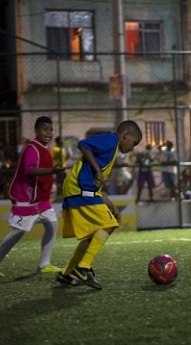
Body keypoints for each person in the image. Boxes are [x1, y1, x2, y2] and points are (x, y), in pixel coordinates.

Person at [56, 120, 142, 290]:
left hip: (81, 189)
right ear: (126, 136)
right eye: (134, 143)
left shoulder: (112, 149)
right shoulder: (111, 141)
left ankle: (67, 273)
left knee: (92, 236)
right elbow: (83, 144)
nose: (132, 148)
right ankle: (83, 268)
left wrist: (112, 206)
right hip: (79, 189)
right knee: (109, 224)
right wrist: (97, 169)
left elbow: (96, 188)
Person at [0, 116, 65, 277]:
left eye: (51, 129)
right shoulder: (32, 148)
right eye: (45, 129)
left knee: (52, 226)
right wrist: (52, 171)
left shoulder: (46, 148)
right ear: (36, 131)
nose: (49, 133)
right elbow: (30, 170)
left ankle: (44, 265)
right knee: (18, 233)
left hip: (41, 200)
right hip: (25, 198)